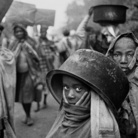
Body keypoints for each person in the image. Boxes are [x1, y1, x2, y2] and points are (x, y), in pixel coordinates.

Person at [45, 49, 129, 138]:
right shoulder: (64, 116)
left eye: (78, 89)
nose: (69, 95)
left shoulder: (102, 127)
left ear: (94, 94)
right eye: (66, 87)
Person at [8, 23, 43, 126]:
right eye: (17, 31)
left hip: (29, 73)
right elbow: (9, 58)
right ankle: (27, 114)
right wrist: (18, 48)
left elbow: (37, 57)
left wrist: (27, 47)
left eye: (21, 31)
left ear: (24, 32)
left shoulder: (30, 42)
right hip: (17, 75)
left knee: (27, 95)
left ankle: (28, 116)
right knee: (22, 97)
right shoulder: (12, 44)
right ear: (14, 33)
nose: (19, 33)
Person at [106, 32, 138, 138]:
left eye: (129, 54)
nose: (123, 61)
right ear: (111, 55)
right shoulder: (105, 82)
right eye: (117, 55)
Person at [35, 25, 55, 111]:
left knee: (46, 86)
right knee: (38, 86)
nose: (43, 33)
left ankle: (44, 101)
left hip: (47, 67)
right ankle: (38, 104)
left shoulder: (49, 42)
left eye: (45, 32)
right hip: (38, 67)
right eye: (42, 32)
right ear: (40, 32)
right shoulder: (36, 42)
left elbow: (55, 52)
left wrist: (52, 54)